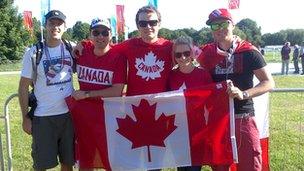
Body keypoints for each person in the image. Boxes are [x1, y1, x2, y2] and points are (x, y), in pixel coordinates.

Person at [73, 5, 172, 171]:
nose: (148, 27)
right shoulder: (129, 45)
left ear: (159, 24)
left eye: (153, 22)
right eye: (143, 23)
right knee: (132, 162)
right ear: (137, 26)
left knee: (155, 164)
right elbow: (104, 46)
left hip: (159, 113)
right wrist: (82, 43)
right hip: (134, 113)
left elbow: (195, 54)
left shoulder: (170, 46)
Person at [197, 8, 275, 171]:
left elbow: (268, 82)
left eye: (223, 24)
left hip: (243, 117)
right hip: (218, 119)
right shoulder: (206, 53)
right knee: (219, 166)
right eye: (214, 26)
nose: (219, 29)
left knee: (250, 164)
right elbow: (186, 64)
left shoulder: (249, 51)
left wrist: (243, 93)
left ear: (232, 25)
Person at [18, 10, 75, 171]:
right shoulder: (34, 52)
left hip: (68, 116)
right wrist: (25, 118)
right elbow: (23, 86)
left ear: (65, 27)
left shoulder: (72, 48)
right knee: (41, 165)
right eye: (52, 23)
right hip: (43, 118)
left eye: (59, 24)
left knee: (67, 162)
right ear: (46, 26)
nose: (55, 27)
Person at [71, 17, 127, 171]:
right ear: (90, 35)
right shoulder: (82, 51)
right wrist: (79, 44)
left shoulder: (118, 56)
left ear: (111, 35)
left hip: (109, 118)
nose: (100, 36)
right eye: (96, 32)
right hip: (84, 117)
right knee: (85, 160)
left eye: (104, 32)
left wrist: (87, 94)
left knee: (113, 161)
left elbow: (116, 91)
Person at [168, 36, 212, 171]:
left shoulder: (203, 75)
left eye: (186, 53)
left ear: (192, 53)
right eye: (178, 54)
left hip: (197, 131)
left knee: (194, 168)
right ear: (174, 56)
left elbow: (212, 101)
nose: (182, 58)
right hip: (176, 130)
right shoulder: (170, 76)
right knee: (181, 168)